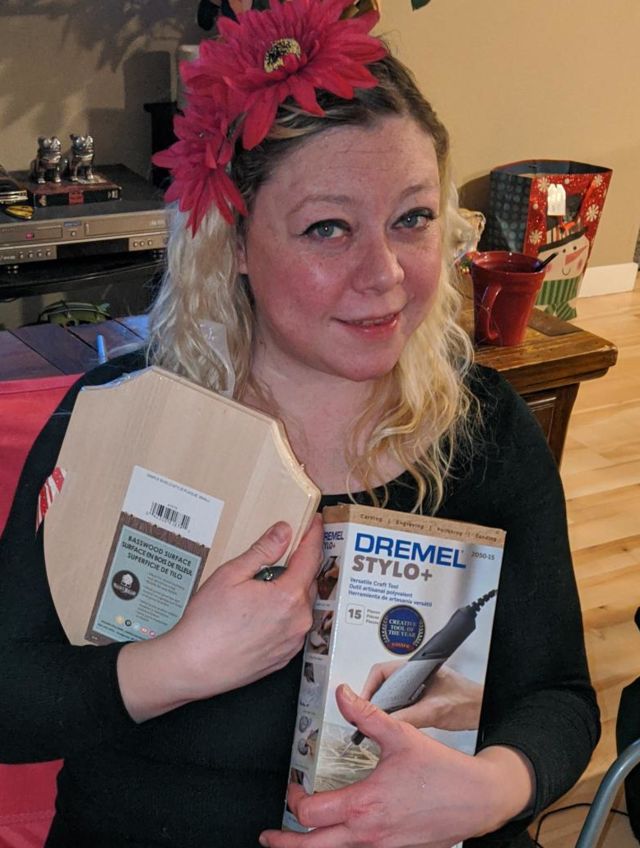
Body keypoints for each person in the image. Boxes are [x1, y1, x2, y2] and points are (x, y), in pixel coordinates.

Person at [0, 1, 599, 846]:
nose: (385, 274)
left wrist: (493, 789)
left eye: (413, 218)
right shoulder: (121, 424)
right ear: (236, 245)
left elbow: (557, 698)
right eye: (328, 228)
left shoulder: (485, 429)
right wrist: (171, 667)